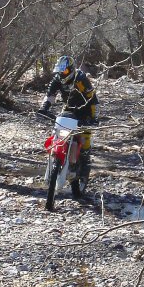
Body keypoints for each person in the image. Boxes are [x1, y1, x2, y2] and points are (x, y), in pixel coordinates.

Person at [39, 55, 98, 188]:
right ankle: (57, 158)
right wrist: (44, 108)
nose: (61, 74)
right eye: (59, 71)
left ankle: (84, 169)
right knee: (58, 133)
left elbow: (93, 100)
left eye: (64, 71)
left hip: (85, 111)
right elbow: (50, 95)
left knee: (84, 138)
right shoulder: (57, 79)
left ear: (71, 69)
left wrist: (94, 118)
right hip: (68, 109)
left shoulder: (81, 79)